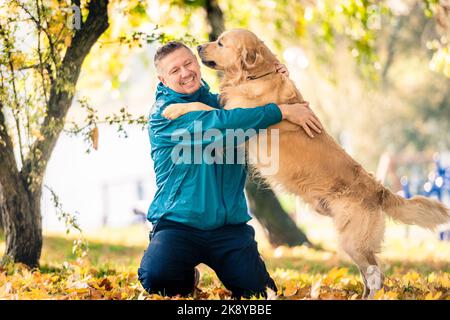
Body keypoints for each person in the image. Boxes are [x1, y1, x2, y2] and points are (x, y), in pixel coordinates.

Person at [138, 41, 322, 299]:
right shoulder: (165, 114)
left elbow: (249, 105)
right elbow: (220, 123)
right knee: (158, 278)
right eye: (175, 70)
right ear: (163, 79)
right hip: (178, 224)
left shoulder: (222, 101)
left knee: (259, 293)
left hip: (228, 227)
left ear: (197, 62)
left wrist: (273, 76)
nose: (185, 72)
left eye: (188, 63)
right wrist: (280, 111)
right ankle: (185, 276)